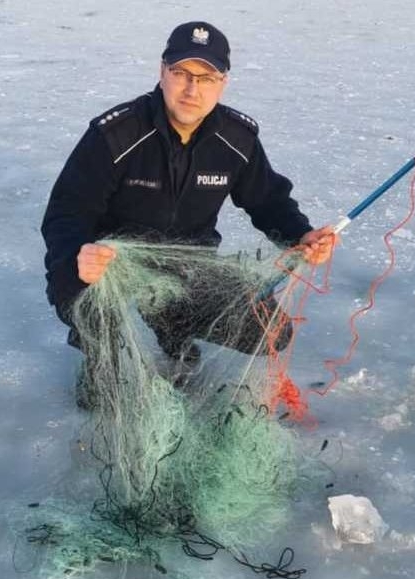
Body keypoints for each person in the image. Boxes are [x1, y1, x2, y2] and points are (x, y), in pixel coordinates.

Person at [41, 21, 336, 365]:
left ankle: (173, 327)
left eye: (206, 78)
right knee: (87, 306)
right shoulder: (116, 134)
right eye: (182, 72)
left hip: (187, 266)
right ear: (162, 71)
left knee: (272, 331)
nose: (192, 89)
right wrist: (79, 258)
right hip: (109, 268)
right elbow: (66, 213)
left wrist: (301, 233)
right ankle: (102, 362)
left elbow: (268, 200)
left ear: (222, 83)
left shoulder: (237, 140)